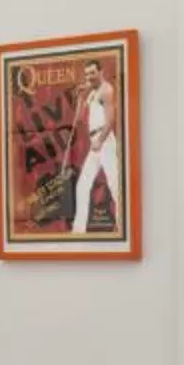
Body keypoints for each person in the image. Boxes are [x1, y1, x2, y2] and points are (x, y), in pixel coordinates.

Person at [69, 59, 122, 234]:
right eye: (86, 74)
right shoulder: (91, 92)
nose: (89, 77)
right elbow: (77, 120)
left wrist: (100, 140)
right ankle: (78, 231)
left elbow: (110, 120)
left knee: (115, 184)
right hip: (95, 142)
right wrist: (80, 98)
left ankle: (124, 225)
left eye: (92, 72)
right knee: (82, 185)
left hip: (104, 140)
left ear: (101, 71)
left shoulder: (107, 90)